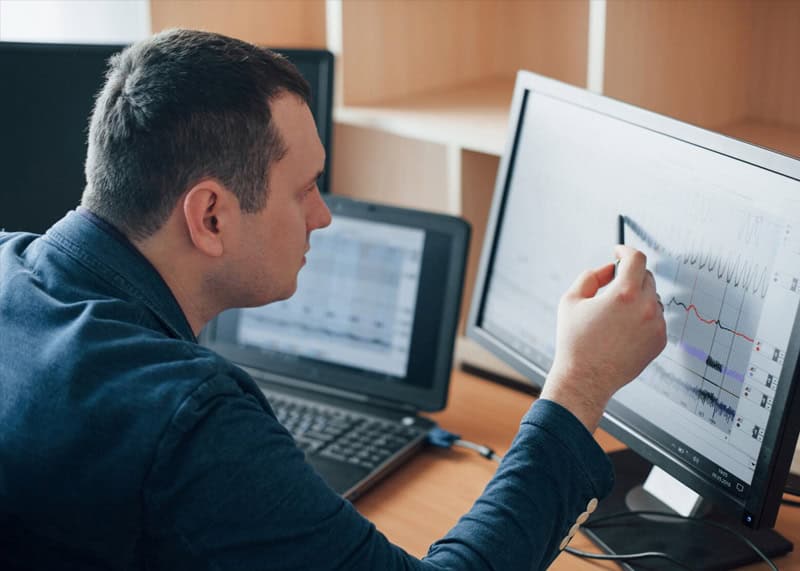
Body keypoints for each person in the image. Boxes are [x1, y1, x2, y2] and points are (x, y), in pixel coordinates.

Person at [0, 29, 666, 570]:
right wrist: (580, 383)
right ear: (210, 216)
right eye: (305, 188)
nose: (322, 215)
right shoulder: (190, 418)